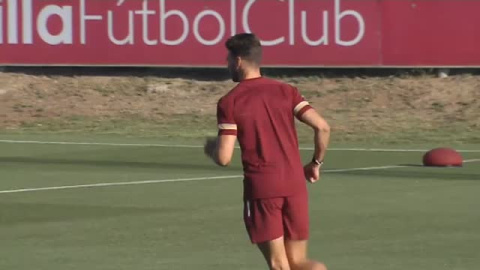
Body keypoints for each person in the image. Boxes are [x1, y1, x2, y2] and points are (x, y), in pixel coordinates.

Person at [204, 33, 330, 270]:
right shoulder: (287, 91)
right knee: (300, 263)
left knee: (279, 265)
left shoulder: (230, 102)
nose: (227, 64)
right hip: (294, 185)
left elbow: (223, 157)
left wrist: (211, 147)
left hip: (263, 189)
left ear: (238, 61)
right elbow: (323, 127)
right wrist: (315, 163)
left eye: (228, 59)